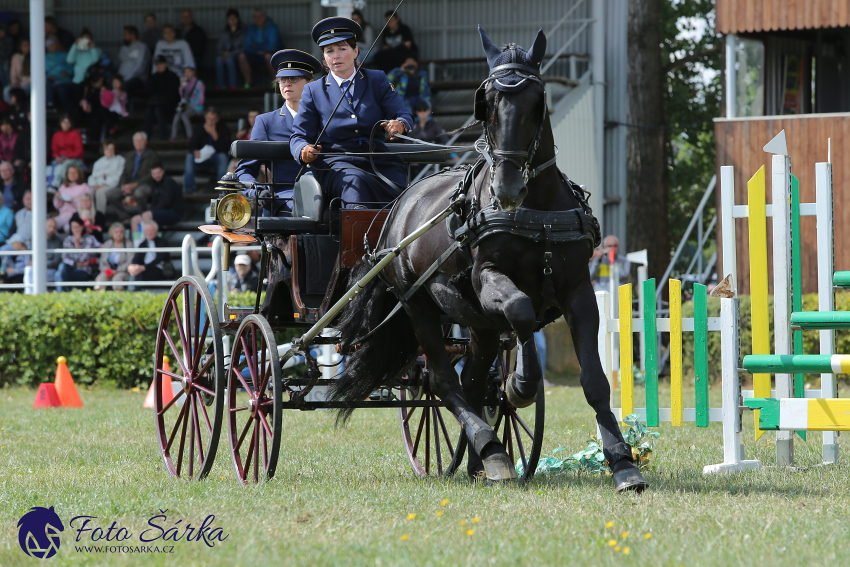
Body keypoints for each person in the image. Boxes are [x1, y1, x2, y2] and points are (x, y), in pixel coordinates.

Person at [291, 17, 413, 208]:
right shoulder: (313, 90)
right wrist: (303, 150)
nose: (336, 56)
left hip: (377, 160)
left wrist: (400, 124)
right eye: (329, 51)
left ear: (356, 52)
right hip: (336, 164)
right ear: (324, 58)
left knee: (402, 191)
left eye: (342, 49)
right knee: (355, 182)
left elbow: (403, 113)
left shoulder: (377, 79)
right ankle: (356, 237)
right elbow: (298, 136)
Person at [237, 49, 321, 215]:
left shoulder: (328, 118)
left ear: (310, 82)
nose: (286, 83)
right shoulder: (266, 122)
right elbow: (245, 170)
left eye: (294, 78)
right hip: (284, 202)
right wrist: (257, 191)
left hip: (327, 196)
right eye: (282, 79)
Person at [106, 132, 161, 221]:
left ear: (145, 142)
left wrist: (135, 185)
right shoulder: (129, 155)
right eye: (136, 141)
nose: (138, 143)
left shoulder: (152, 155)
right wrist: (123, 186)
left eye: (140, 141)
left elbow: (151, 175)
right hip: (129, 184)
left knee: (138, 194)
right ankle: (124, 217)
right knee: (110, 194)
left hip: (145, 184)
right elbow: (124, 173)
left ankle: (144, 217)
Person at [55, 29, 102, 123]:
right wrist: (74, 45)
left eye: (87, 39)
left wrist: (92, 47)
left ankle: (75, 118)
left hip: (88, 83)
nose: (85, 42)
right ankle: (71, 114)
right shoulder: (77, 52)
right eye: (83, 40)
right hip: (76, 82)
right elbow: (69, 60)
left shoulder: (96, 50)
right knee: (60, 88)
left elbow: (96, 60)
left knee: (81, 100)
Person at [184, 107, 231, 194]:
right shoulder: (199, 127)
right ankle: (189, 190)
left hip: (215, 158)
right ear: (205, 118)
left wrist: (214, 134)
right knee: (189, 157)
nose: (210, 121)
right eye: (209, 118)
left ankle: (223, 190)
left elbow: (225, 148)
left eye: (213, 119)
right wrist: (195, 151)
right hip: (202, 157)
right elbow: (192, 143)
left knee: (223, 158)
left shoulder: (223, 128)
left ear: (217, 120)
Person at [130, 163, 182, 232]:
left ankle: (148, 240)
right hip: (159, 212)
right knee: (134, 220)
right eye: (154, 174)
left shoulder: (169, 183)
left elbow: (166, 202)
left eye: (158, 173)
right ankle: (138, 241)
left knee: (146, 215)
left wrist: (152, 212)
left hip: (173, 212)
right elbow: (154, 201)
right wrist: (151, 211)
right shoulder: (154, 183)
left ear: (163, 172)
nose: (156, 176)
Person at [56, 216, 100, 291]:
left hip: (84, 271)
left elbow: (84, 258)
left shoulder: (89, 239)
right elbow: (64, 258)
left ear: (82, 227)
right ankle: (63, 293)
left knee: (59, 275)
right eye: (74, 227)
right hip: (69, 268)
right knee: (61, 267)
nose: (76, 229)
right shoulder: (68, 240)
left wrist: (77, 245)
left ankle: (62, 294)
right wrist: (76, 264)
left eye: (78, 227)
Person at [240, 9, 280, 87]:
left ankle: (276, 83)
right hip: (256, 54)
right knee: (242, 56)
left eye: (260, 16)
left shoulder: (272, 27)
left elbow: (273, 46)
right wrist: (258, 51)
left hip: (270, 54)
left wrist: (256, 46)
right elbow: (247, 47)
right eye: (255, 17)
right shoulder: (251, 28)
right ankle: (248, 83)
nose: (258, 18)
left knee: (268, 56)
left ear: (265, 17)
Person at [144, 55, 180, 141]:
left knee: (158, 110)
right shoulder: (153, 77)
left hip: (170, 105)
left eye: (161, 63)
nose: (159, 66)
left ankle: (164, 136)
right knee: (149, 110)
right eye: (157, 64)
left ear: (166, 64)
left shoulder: (172, 76)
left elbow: (174, 95)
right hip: (156, 104)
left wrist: (162, 97)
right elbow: (150, 92)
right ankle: (146, 137)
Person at [128, 220, 169, 289]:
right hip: (144, 268)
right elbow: (136, 258)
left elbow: (159, 259)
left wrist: (144, 267)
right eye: (147, 231)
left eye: (151, 230)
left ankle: (133, 293)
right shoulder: (142, 244)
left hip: (159, 269)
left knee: (138, 274)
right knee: (134, 272)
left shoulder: (163, 242)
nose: (149, 233)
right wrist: (133, 266)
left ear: (156, 231)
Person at [47, 115, 84, 191]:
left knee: (64, 166)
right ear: (60, 123)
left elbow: (79, 152)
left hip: (74, 159)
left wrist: (66, 157)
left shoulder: (76, 134)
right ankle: (48, 186)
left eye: (68, 123)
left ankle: (59, 186)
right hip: (60, 159)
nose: (66, 125)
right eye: (64, 122)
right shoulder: (56, 135)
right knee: (50, 167)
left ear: (71, 124)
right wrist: (57, 157)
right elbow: (54, 150)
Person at [88, 141, 125, 215]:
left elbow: (119, 176)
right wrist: (94, 185)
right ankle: (89, 215)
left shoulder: (120, 160)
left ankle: (100, 215)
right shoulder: (98, 162)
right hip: (98, 184)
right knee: (88, 191)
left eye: (111, 149)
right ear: (103, 150)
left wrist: (106, 184)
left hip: (111, 184)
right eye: (107, 149)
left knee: (100, 193)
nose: (109, 151)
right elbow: (93, 176)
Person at [94, 222, 133, 291]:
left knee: (117, 280)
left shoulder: (128, 244)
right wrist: (109, 270)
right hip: (108, 270)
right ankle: (98, 300)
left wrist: (118, 270)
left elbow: (130, 261)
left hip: (122, 271)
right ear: (112, 233)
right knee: (100, 279)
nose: (119, 234)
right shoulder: (107, 244)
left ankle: (119, 300)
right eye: (116, 232)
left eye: (121, 232)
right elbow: (102, 262)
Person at [53, 164, 91, 233]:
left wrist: (72, 201)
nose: (72, 174)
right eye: (70, 172)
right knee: (49, 225)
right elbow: (58, 206)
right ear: (67, 175)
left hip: (78, 215)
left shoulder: (85, 187)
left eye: (74, 172)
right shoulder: (63, 187)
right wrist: (57, 198)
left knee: (68, 228)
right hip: (63, 215)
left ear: (79, 174)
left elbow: (88, 205)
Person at [171, 64, 204, 141]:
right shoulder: (186, 83)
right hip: (186, 105)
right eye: (185, 72)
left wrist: (191, 105)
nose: (187, 74)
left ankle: (190, 136)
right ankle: (173, 137)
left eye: (189, 72)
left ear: (193, 72)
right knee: (177, 115)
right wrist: (181, 87)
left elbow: (201, 100)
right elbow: (183, 96)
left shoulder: (199, 84)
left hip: (197, 106)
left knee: (184, 115)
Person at [216, 8, 247, 89]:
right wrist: (224, 53)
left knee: (229, 59)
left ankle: (233, 85)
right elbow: (219, 48)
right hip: (225, 55)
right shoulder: (224, 32)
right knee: (219, 60)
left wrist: (231, 54)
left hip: (237, 56)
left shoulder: (243, 31)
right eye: (230, 18)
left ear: (238, 19)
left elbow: (244, 47)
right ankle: (220, 85)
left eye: (234, 18)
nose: (232, 20)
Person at [118, 26, 150, 96]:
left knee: (125, 86)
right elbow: (121, 64)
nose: (124, 37)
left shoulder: (142, 47)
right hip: (123, 78)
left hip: (138, 79)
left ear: (133, 35)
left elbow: (141, 67)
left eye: (125, 35)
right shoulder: (124, 48)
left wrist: (126, 78)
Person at [99, 75, 129, 139]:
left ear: (121, 84)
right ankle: (111, 128)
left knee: (112, 116)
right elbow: (104, 100)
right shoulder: (110, 92)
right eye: (114, 83)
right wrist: (103, 92)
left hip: (118, 112)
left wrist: (120, 95)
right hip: (109, 110)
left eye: (117, 83)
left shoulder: (123, 93)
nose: (115, 84)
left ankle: (111, 129)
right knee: (102, 111)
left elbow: (125, 102)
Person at [44, 38, 70, 107]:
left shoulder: (64, 55)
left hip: (63, 80)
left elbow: (71, 67)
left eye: (54, 44)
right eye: (51, 45)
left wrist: (67, 72)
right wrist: (48, 77)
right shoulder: (44, 58)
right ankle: (49, 104)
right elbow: (42, 72)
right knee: (47, 83)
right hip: (50, 82)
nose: (54, 46)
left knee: (61, 90)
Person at [3, 38, 30, 103]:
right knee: (7, 90)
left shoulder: (35, 56)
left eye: (28, 45)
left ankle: (21, 109)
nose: (27, 47)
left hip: (29, 83)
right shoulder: (16, 57)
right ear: (20, 47)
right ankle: (11, 108)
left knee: (21, 91)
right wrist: (14, 83)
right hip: (18, 83)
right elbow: (13, 73)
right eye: (24, 45)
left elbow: (34, 76)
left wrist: (21, 84)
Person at [45, 217, 63, 283]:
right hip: (36, 268)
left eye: (54, 227)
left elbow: (56, 262)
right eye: (50, 226)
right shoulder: (36, 240)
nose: (52, 229)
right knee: (28, 270)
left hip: (50, 270)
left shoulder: (58, 241)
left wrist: (42, 264)